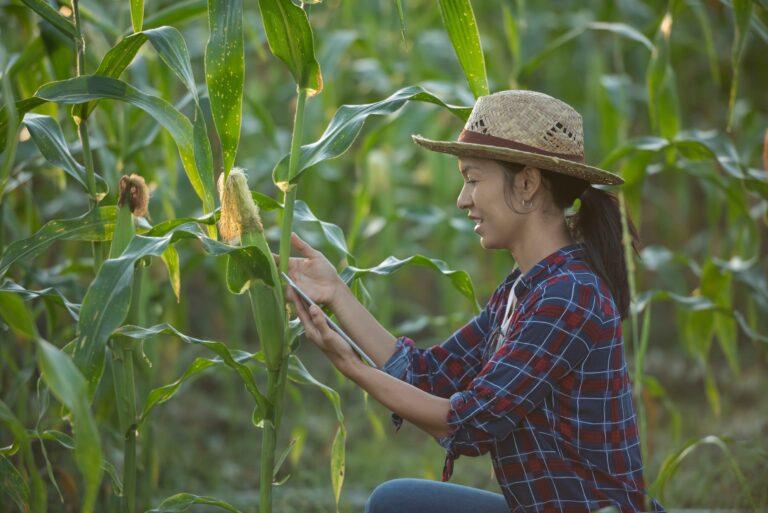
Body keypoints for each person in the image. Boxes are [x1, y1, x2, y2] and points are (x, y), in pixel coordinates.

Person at [283, 90, 665, 513]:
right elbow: (430, 375)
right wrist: (336, 293)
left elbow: (470, 424)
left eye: (473, 179)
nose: (462, 199)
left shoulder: (570, 294)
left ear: (527, 183)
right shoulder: (524, 289)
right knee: (398, 502)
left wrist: (351, 367)